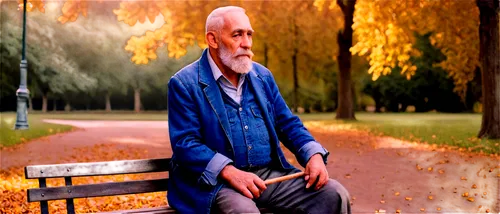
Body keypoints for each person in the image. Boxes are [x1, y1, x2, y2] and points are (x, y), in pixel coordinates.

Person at [167, 6, 351, 214]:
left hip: (268, 177)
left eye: (249, 34)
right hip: (216, 184)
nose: (246, 43)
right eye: (237, 35)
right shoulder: (184, 83)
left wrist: (313, 155)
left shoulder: (262, 77)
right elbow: (185, 144)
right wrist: (229, 171)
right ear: (213, 39)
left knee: (334, 194)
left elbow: (287, 123)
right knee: (243, 211)